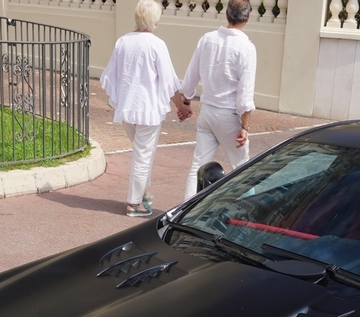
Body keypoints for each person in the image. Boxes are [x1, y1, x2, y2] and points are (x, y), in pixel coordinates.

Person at [99, 0, 183, 216]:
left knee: (142, 153)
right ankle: (134, 203)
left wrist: (117, 100)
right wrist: (181, 106)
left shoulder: (123, 41)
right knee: (143, 156)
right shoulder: (156, 44)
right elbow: (169, 82)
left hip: (127, 109)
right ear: (154, 19)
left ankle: (143, 196)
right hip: (148, 110)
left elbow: (109, 76)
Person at [177, 0, 257, 200]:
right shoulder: (246, 47)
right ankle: (249, 215)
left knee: (198, 164)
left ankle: (183, 210)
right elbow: (245, 93)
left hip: (208, 112)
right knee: (242, 168)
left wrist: (185, 102)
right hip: (229, 116)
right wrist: (245, 126)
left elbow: (190, 78)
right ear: (247, 17)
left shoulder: (207, 39)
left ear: (227, 14)